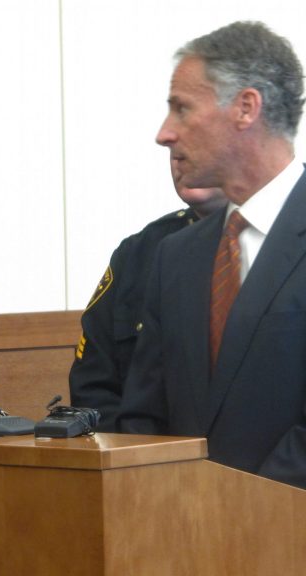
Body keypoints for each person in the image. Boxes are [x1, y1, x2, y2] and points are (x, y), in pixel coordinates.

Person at [117, 21, 306, 490]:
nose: (165, 134)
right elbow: (143, 416)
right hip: (179, 526)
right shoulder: (175, 256)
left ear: (245, 108)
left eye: (182, 108)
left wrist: (237, 512)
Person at [69, 162, 225, 430]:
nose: (181, 159)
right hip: (142, 450)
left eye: (196, 145)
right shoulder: (139, 252)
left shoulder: (278, 241)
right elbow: (92, 386)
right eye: (174, 153)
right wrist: (138, 451)